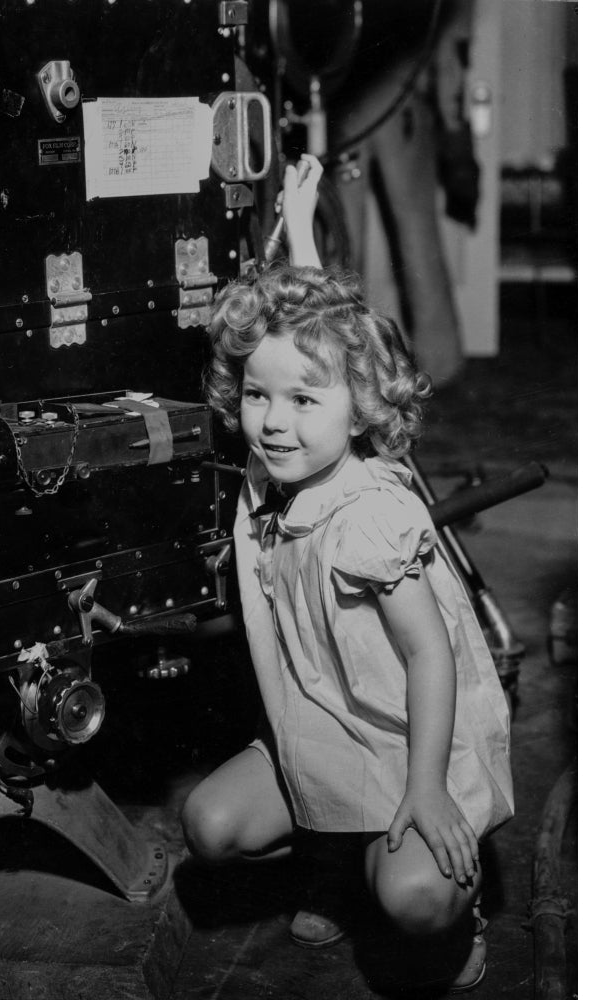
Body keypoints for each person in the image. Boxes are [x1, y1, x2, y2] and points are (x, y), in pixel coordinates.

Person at [181, 154, 513, 993]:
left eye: (303, 403)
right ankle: (336, 859)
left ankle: (446, 905)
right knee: (210, 825)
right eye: (258, 397)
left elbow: (430, 658)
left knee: (410, 896)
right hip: (323, 726)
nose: (275, 423)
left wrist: (428, 790)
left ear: (359, 406)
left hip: (412, 738)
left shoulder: (368, 512)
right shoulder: (270, 477)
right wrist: (298, 223)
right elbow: (308, 335)